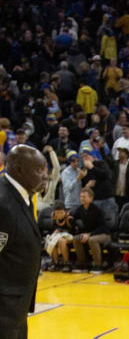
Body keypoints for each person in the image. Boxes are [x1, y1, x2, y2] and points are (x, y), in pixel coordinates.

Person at [0, 145, 49, 339]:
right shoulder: (3, 204)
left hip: (15, 304)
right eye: (38, 170)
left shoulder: (22, 195)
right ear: (19, 169)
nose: (44, 176)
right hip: (4, 307)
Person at [72, 188, 111, 273]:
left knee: (92, 239)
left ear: (91, 198)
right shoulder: (79, 209)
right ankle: (82, 264)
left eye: (84, 197)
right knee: (76, 238)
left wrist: (89, 234)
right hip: (89, 234)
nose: (82, 198)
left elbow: (103, 227)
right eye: (81, 197)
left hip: (103, 234)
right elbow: (73, 220)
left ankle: (98, 265)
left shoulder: (97, 210)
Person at [45, 200, 74, 272]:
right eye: (57, 213)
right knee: (53, 241)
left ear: (65, 211)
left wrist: (61, 231)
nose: (59, 215)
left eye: (61, 212)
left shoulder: (69, 218)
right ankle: (56, 262)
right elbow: (54, 229)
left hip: (70, 236)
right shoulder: (54, 218)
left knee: (61, 241)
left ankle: (66, 263)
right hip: (59, 236)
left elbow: (73, 230)